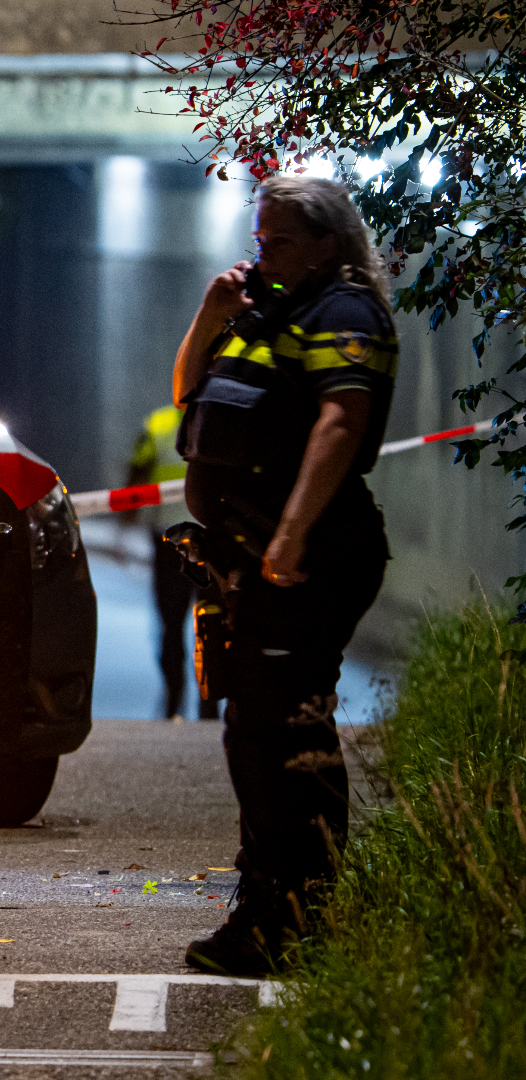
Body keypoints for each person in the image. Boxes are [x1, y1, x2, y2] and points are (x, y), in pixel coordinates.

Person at [172, 176, 396, 976]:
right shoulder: (269, 310)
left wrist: (291, 537)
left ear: (328, 244)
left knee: (284, 733)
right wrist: (210, 313)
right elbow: (187, 399)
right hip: (254, 552)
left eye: (280, 242)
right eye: (259, 239)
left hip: (309, 555)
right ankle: (272, 904)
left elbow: (342, 423)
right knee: (256, 732)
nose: (262, 253)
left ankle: (294, 916)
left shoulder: (344, 313)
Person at [126, 403, 220, 721]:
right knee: (211, 620)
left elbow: (137, 470)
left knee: (172, 622)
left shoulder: (159, 424)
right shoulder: (221, 418)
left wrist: (127, 516)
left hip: (172, 540)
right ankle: (206, 700)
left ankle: (176, 693)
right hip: (210, 539)